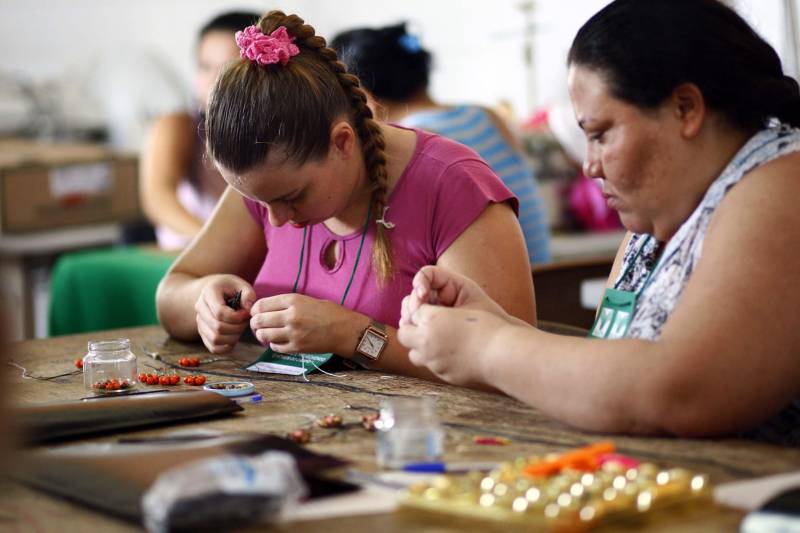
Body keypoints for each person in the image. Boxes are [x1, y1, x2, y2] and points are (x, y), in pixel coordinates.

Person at [398, 0, 800, 444]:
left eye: (601, 134)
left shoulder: (783, 182)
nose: (589, 166)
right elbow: (613, 367)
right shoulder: (654, 224)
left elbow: (682, 392)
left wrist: (488, 348)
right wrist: (491, 323)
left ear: (686, 108)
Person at [156, 11, 535, 380]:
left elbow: (511, 363)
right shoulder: (266, 185)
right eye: (259, 202)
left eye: (293, 196)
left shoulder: (454, 185)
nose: (274, 219)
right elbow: (171, 294)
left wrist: (353, 335)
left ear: (342, 142)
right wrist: (203, 300)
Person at [331, 24, 552, 265]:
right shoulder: (485, 114)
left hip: (499, 283)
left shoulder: (415, 140)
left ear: (360, 94)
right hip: (546, 272)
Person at [140, 11, 259, 250]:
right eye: (204, 67)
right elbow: (158, 198)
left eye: (227, 68)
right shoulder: (178, 124)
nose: (213, 80)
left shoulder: (276, 134)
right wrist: (213, 241)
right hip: (186, 257)